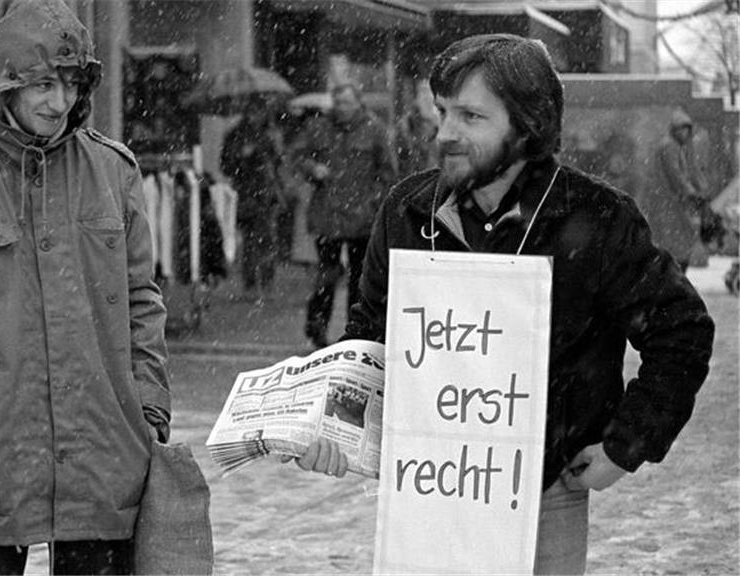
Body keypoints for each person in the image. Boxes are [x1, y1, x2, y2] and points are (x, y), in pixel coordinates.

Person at [293, 34, 714, 575]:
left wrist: (624, 445)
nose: (446, 133)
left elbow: (681, 331)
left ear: (527, 126)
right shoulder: (407, 211)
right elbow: (369, 334)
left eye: (471, 116)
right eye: (444, 112)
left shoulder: (597, 218)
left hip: (545, 495)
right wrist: (336, 425)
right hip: (426, 490)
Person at [0, 1, 171, 574]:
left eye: (70, 83)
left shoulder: (113, 171)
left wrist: (150, 412)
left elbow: (142, 299)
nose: (58, 102)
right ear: (4, 86)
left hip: (104, 447)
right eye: (42, 84)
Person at [292, 83, 398, 348]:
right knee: (326, 275)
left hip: (362, 219)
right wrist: (311, 168)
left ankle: (356, 334)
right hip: (327, 216)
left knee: (359, 278)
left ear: (358, 103)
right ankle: (316, 328)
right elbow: (297, 156)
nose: (342, 109)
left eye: (347, 103)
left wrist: (374, 201)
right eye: (338, 103)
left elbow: (388, 172)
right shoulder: (319, 127)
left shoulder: (374, 129)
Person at [220, 97, 284, 299]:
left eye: (260, 112)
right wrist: (243, 156)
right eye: (254, 112)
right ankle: (251, 284)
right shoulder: (236, 136)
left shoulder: (267, 135)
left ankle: (266, 282)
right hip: (247, 193)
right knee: (251, 240)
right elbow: (227, 166)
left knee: (266, 239)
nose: (257, 116)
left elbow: (276, 163)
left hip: (265, 193)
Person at [643, 108, 709, 272]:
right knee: (677, 238)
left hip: (666, 202)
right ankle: (675, 271)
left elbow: (684, 174)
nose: (685, 134)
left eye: (687, 130)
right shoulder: (670, 146)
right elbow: (677, 175)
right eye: (682, 129)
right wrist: (692, 193)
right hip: (669, 202)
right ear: (675, 130)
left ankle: (671, 271)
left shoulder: (672, 146)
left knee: (671, 239)